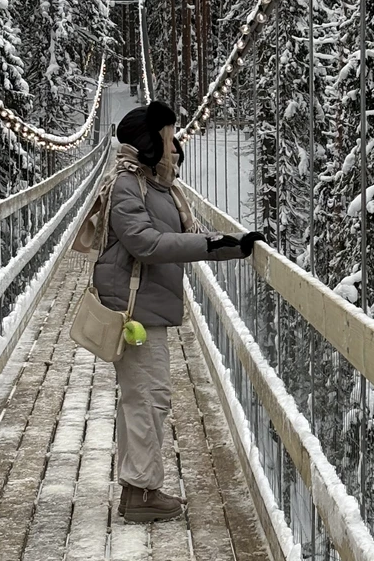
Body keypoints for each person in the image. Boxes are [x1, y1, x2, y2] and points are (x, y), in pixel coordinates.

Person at [90, 99, 262, 523]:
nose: (176, 148)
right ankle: (141, 494)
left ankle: (138, 486)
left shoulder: (155, 185)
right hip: (136, 313)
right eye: (168, 139)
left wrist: (227, 247)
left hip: (147, 308)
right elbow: (146, 243)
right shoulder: (128, 185)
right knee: (148, 398)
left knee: (146, 397)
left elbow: (184, 235)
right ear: (148, 144)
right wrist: (213, 245)